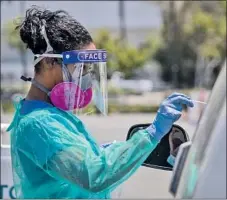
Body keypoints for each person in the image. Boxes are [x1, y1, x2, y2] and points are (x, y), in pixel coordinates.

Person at [7, 6, 194, 199]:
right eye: (81, 66)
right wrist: (152, 133)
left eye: (89, 67)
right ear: (48, 62)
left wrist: (106, 151)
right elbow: (94, 175)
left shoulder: (48, 115)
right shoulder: (39, 124)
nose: (86, 76)